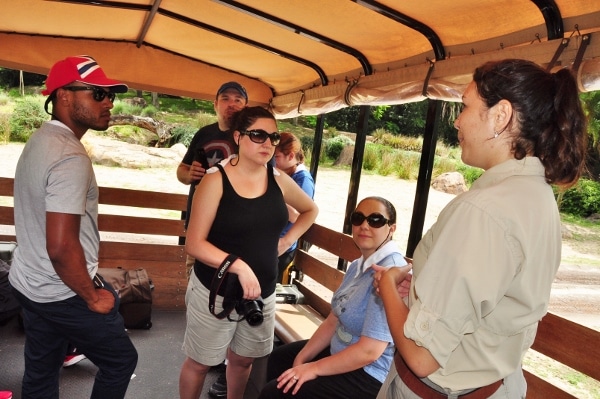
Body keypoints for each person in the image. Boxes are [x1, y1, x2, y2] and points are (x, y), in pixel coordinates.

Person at [373, 59, 588, 398]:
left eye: (465, 106)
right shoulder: (538, 195)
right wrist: (423, 292)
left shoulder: (484, 210)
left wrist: (387, 283)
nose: (457, 120)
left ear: (500, 116)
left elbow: (421, 357)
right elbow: (494, 301)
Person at [8, 55, 138, 399]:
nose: (108, 101)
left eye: (111, 94)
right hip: (60, 291)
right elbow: (61, 247)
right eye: (97, 93)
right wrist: (91, 294)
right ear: (64, 95)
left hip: (29, 282)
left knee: (41, 369)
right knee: (121, 361)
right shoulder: (70, 157)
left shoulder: (39, 140)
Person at [178, 106, 318, 399]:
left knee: (243, 361)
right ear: (239, 137)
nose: (267, 143)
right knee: (201, 363)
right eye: (258, 135)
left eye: (273, 137)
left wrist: (286, 241)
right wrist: (237, 266)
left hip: (263, 291)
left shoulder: (278, 179)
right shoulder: (216, 180)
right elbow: (194, 243)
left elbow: (309, 210)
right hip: (216, 290)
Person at [258, 196, 408, 399]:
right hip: (340, 350)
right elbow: (333, 320)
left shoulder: (388, 273)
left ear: (391, 228)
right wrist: (303, 358)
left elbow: (369, 352)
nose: (364, 225)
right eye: (358, 218)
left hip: (367, 373)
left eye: (376, 220)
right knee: (280, 359)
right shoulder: (358, 265)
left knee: (275, 393)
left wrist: (313, 369)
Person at [273, 132, 315, 283]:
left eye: (276, 157)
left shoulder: (302, 178)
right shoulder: (285, 173)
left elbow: (296, 216)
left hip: (282, 247)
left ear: (290, 156)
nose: (272, 160)